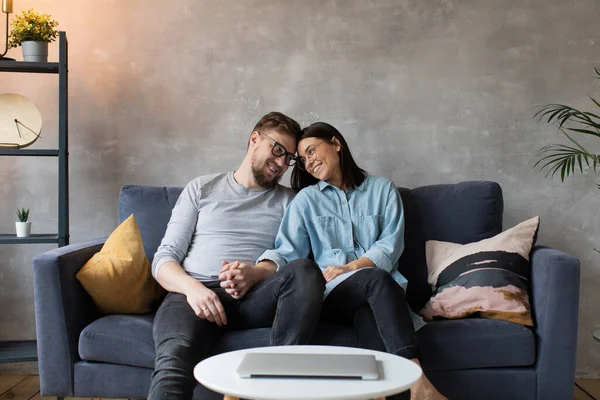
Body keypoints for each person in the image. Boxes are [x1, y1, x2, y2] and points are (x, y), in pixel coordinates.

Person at [257, 122, 448, 400]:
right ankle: (418, 381)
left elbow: (391, 245)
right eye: (303, 158)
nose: (308, 162)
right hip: (333, 295)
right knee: (376, 280)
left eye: (312, 151)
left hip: (381, 296)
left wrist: (351, 267)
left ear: (336, 143)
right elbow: (288, 253)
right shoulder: (306, 201)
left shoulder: (383, 190)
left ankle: (391, 393)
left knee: (371, 314)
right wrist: (257, 270)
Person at [148, 112, 325, 400]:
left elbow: (292, 256)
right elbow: (164, 260)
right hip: (194, 296)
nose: (281, 163)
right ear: (255, 139)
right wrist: (194, 289)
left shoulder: (290, 201)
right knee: (173, 363)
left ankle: (279, 382)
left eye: (289, 158)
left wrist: (255, 272)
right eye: (278, 149)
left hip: (257, 298)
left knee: (304, 269)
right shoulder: (201, 188)